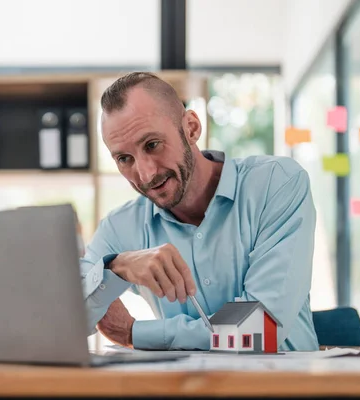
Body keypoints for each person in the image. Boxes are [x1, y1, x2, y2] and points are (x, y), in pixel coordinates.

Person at [80, 72, 319, 351]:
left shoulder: (276, 185)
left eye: (152, 145)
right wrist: (116, 268)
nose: (145, 174)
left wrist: (136, 332)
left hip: (283, 388)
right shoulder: (121, 227)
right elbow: (65, 321)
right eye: (124, 158)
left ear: (191, 128)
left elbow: (259, 327)